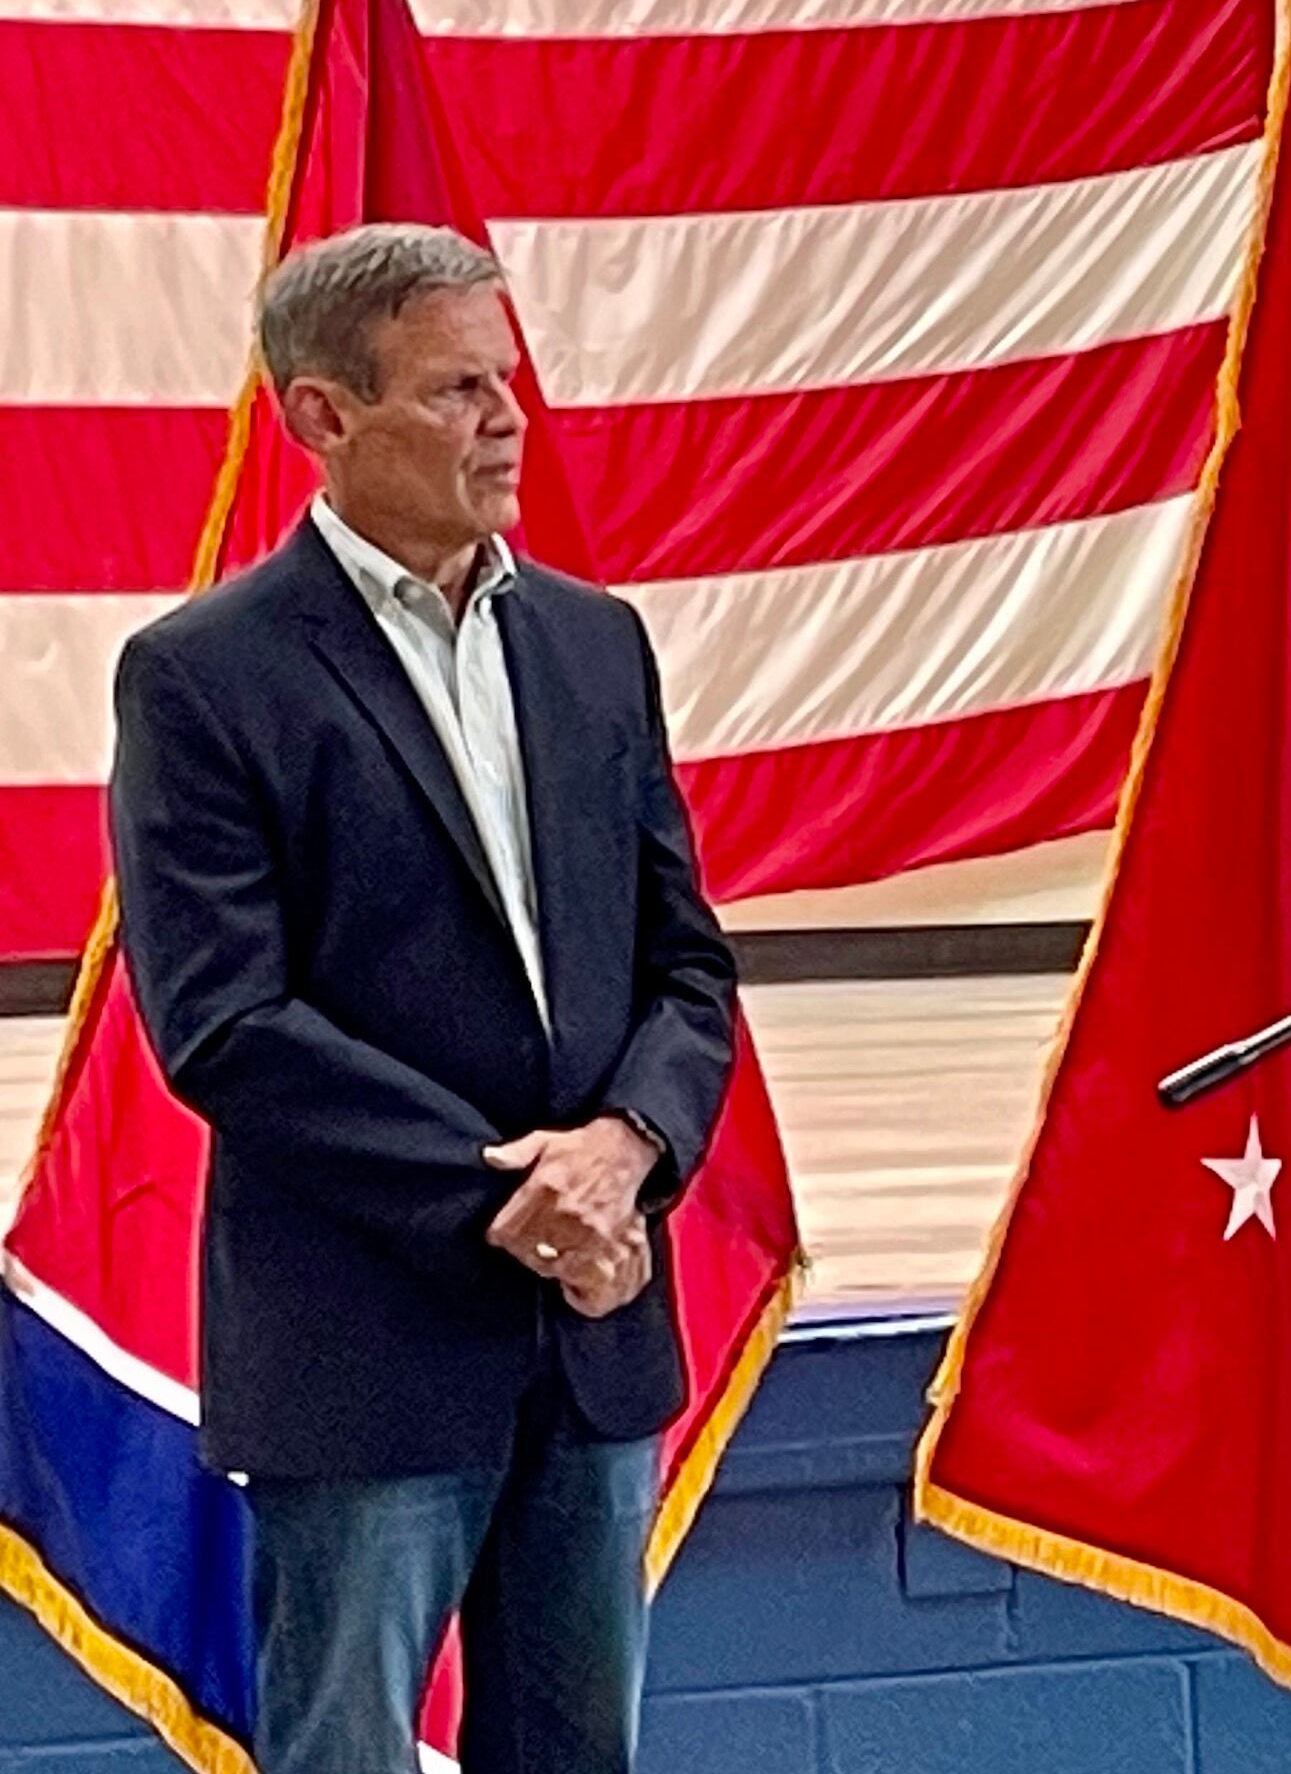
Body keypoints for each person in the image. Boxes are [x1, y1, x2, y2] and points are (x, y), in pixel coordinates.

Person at [108, 223, 738, 1774]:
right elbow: (224, 1021)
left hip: (592, 1325)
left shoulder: (597, 645)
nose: (508, 420)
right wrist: (499, 1192)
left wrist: (625, 1154)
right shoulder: (205, 675)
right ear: (323, 418)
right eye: (458, 391)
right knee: (344, 1753)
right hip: (365, 1333)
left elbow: (688, 965)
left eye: (507, 380)